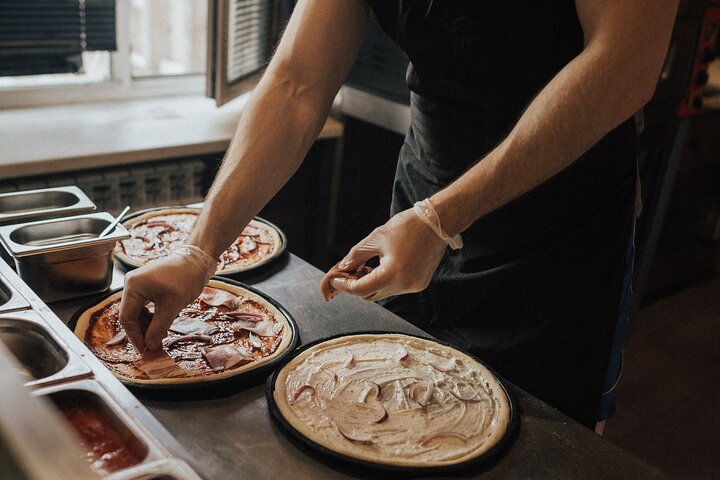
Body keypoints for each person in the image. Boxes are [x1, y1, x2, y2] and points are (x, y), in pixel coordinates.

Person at [119, 0, 679, 428]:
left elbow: (624, 64)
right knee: (402, 415)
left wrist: (443, 216)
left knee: (541, 442)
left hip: (559, 238)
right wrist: (199, 249)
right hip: (423, 207)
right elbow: (297, 82)